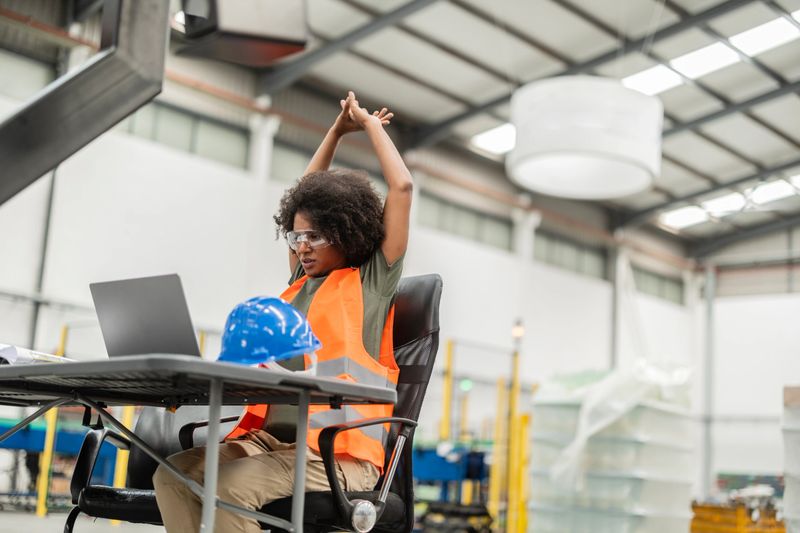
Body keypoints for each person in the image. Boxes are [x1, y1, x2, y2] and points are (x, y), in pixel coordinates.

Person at [153, 91, 413, 533]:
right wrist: (333, 132)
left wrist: (369, 126)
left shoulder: (370, 281)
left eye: (314, 237)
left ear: (348, 232)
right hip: (271, 443)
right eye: (296, 238)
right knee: (172, 474)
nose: (302, 247)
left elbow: (402, 188)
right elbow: (307, 193)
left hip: (339, 457)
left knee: (230, 487)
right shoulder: (297, 283)